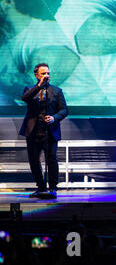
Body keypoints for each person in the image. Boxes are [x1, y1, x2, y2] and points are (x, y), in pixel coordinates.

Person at [19, 63, 68, 199]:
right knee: (34, 160)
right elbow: (25, 99)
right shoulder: (29, 89)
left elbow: (64, 110)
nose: (47, 76)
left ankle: (52, 188)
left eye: (48, 73)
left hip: (50, 131)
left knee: (51, 159)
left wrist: (54, 118)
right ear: (36, 75)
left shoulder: (56, 91)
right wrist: (39, 86)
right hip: (33, 131)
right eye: (43, 73)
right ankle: (40, 187)